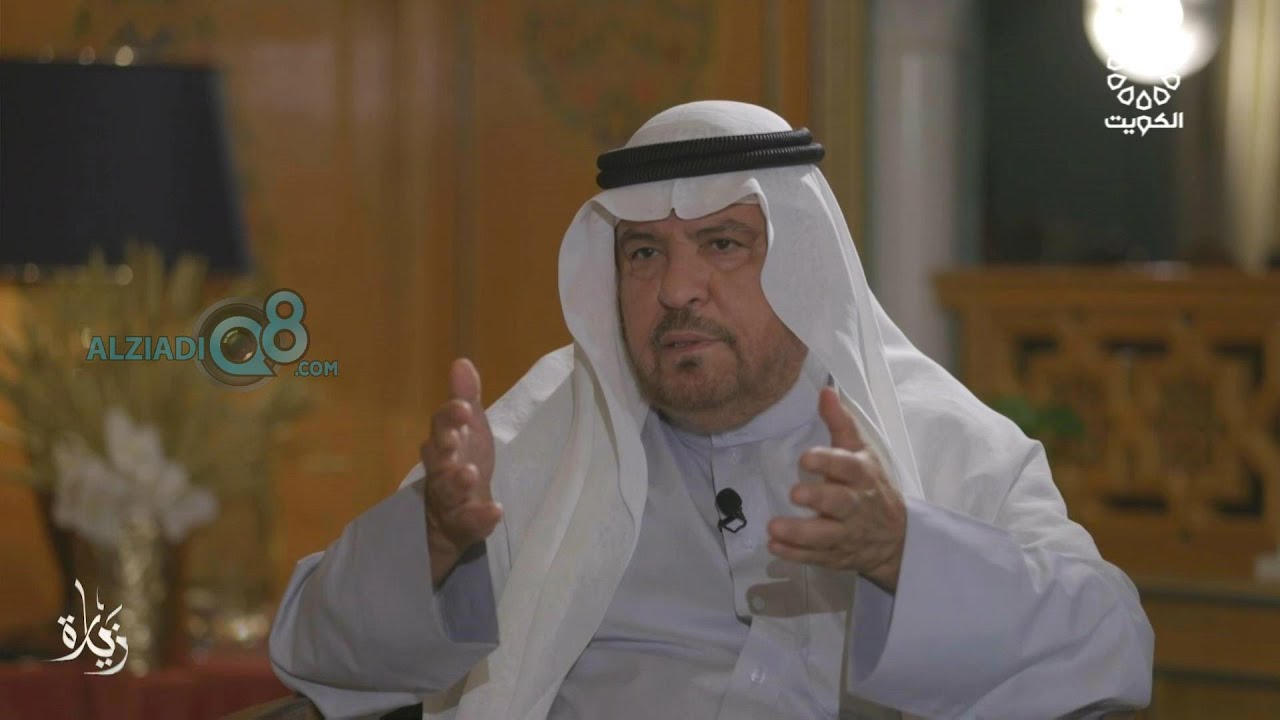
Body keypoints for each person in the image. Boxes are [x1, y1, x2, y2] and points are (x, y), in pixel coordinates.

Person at [268, 101, 1153, 720]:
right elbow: (310, 650)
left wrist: (903, 554)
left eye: (722, 244)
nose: (676, 289)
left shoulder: (938, 439)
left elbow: (1110, 650)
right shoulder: (539, 434)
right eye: (643, 254)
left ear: (802, 264)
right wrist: (428, 550)